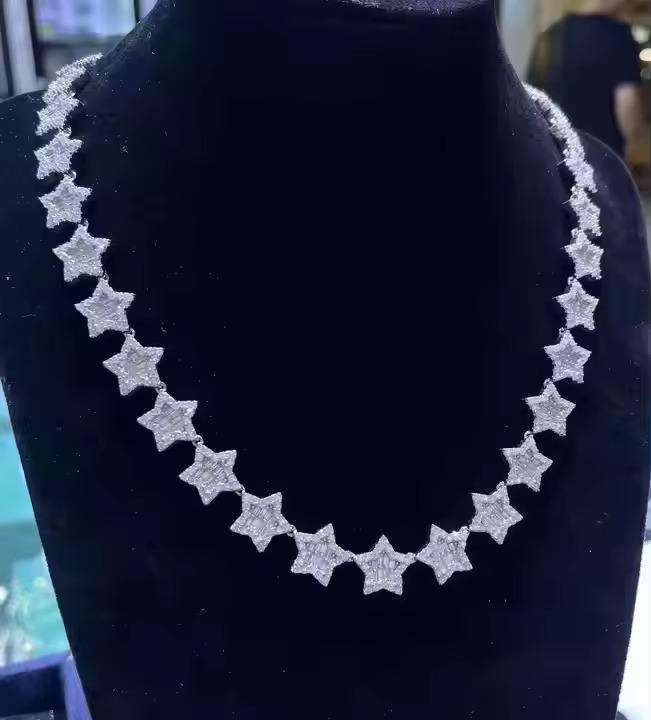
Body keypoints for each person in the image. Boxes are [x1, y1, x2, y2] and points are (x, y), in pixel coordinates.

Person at [528, 0, 645, 157]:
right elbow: (626, 104)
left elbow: (533, 102)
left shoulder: (548, 37)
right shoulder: (618, 35)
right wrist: (636, 141)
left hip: (555, 153)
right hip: (602, 155)